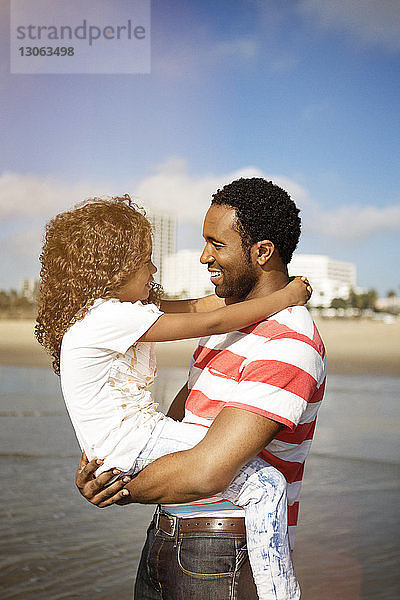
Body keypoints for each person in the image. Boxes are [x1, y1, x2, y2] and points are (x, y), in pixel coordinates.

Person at [35, 193, 312, 600]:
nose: (202, 258)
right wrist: (285, 296)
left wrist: (123, 487)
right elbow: (211, 317)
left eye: (216, 244)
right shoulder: (117, 316)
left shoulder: (287, 340)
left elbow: (206, 471)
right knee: (265, 483)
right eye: (146, 259)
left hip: (218, 554)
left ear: (263, 251)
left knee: (266, 483)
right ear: (113, 269)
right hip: (167, 538)